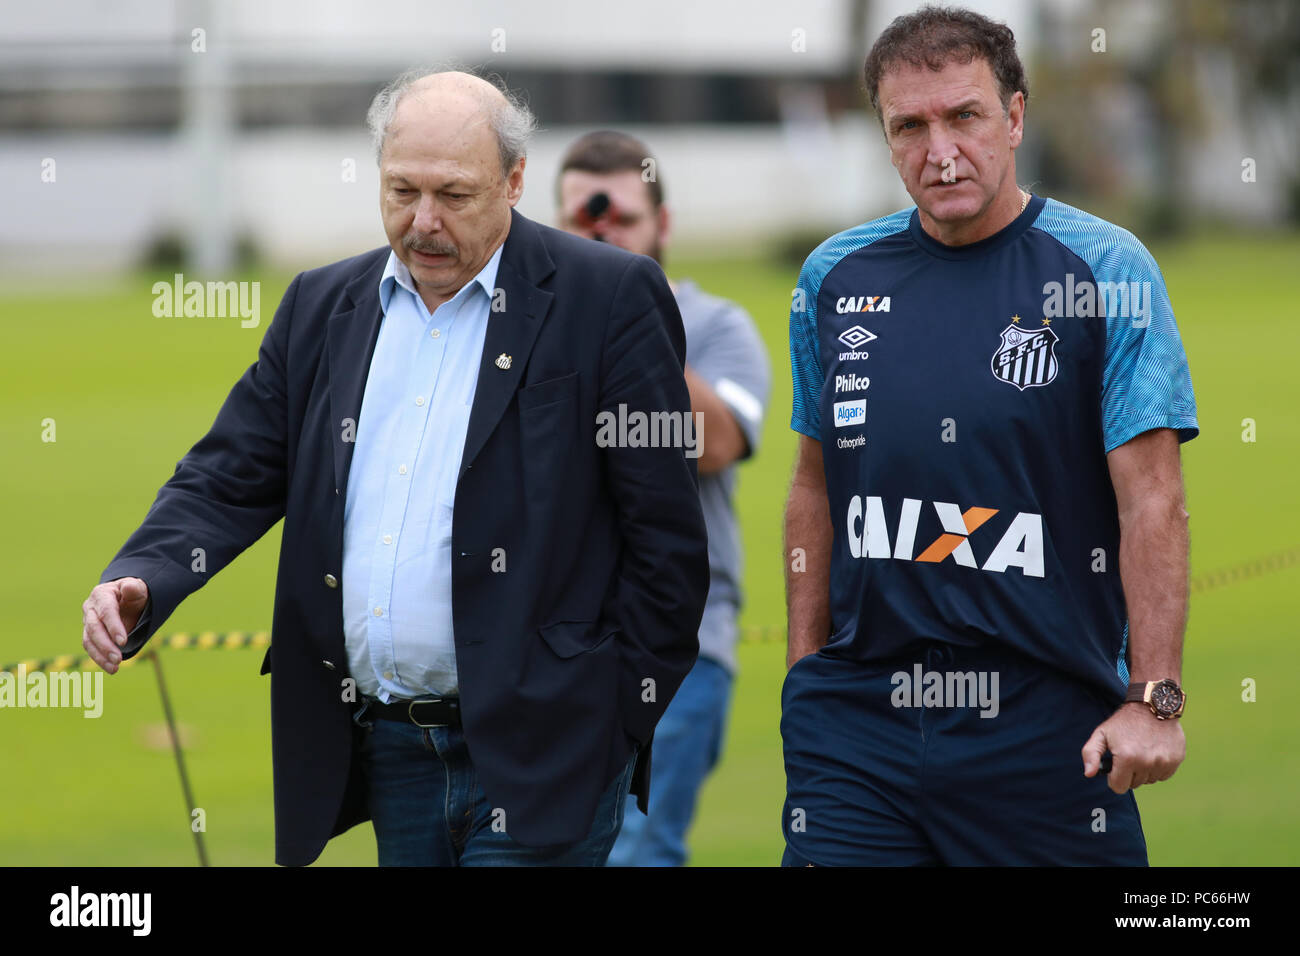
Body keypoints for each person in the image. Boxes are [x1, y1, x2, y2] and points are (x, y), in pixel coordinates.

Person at [79, 69, 709, 867]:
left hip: (548, 752)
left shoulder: (609, 296)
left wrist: (609, 723)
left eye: (454, 193)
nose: (424, 222)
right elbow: (230, 469)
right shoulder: (320, 305)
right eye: (401, 189)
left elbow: (668, 542)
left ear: (515, 181)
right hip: (388, 753)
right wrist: (147, 572)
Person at [781, 6, 1197, 866]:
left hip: (1046, 724)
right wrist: (803, 676)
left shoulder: (1105, 271)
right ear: (886, 136)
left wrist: (1154, 700)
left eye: (964, 116)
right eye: (910, 126)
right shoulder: (832, 278)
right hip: (861, 722)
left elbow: (1152, 498)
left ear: (1014, 117)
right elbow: (815, 487)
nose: (940, 151)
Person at [555, 131, 770, 866]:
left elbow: (716, 442)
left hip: (680, 649)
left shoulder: (716, 328)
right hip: (554, 649)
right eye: (586, 221)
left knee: (635, 853)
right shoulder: (531, 334)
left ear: (663, 226)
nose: (603, 232)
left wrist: (631, 320)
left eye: (621, 219)